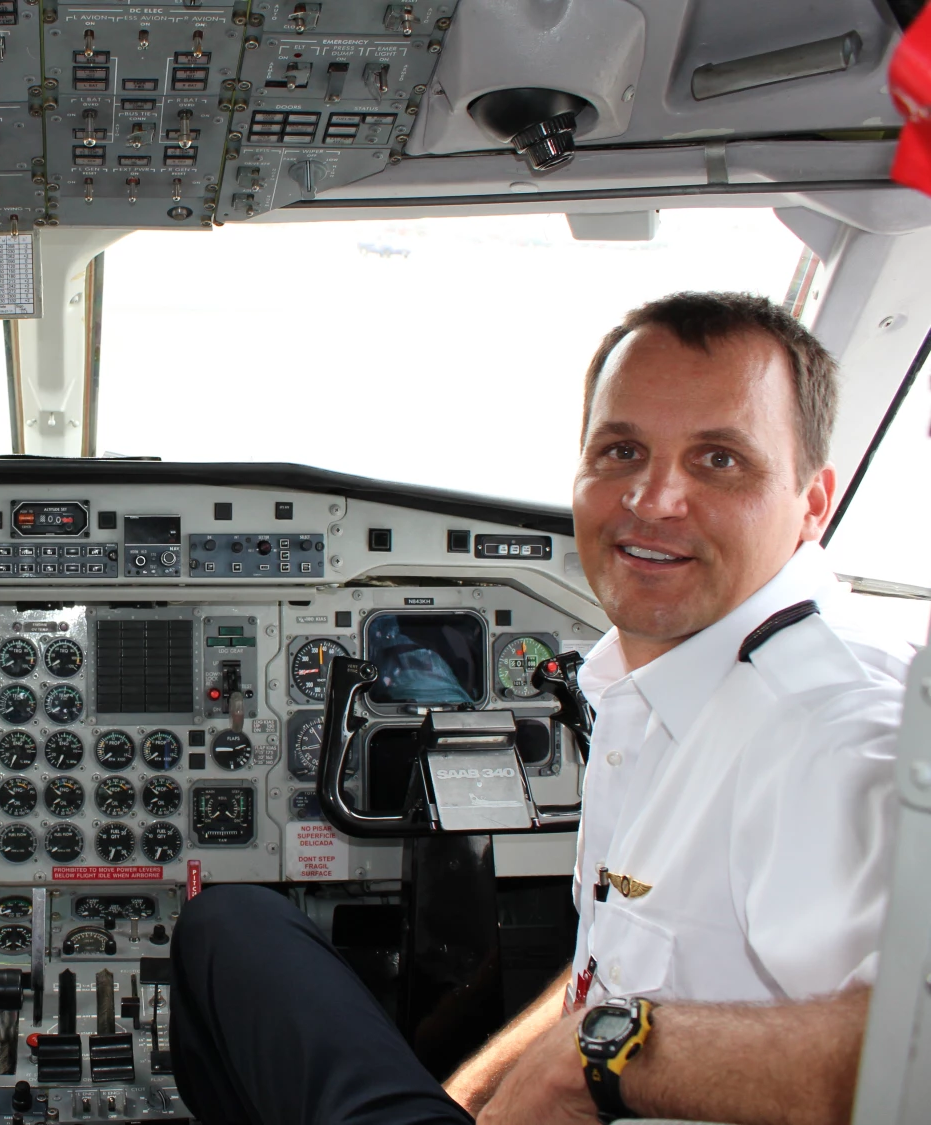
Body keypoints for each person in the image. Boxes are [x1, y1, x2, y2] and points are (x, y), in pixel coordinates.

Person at [168, 292, 911, 1125]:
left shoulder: (836, 728)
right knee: (230, 927)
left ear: (814, 502)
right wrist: (476, 1095)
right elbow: (614, 972)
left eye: (719, 460)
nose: (654, 498)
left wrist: (596, 1061)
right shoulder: (650, 689)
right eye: (622, 450)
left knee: (222, 930)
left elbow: (911, 1050)